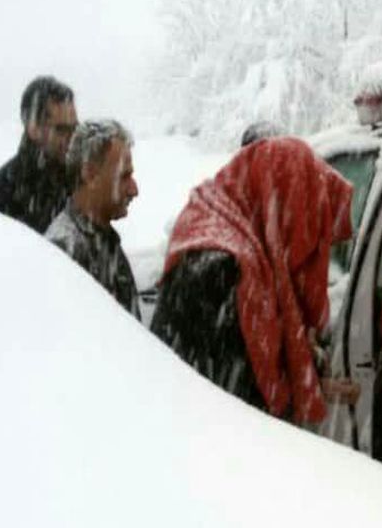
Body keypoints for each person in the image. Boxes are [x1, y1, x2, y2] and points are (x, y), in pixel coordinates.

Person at [151, 137, 356, 424]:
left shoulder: (237, 246)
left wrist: (313, 383)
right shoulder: (223, 271)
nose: (312, 257)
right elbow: (240, 405)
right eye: (310, 232)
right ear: (287, 206)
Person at [45, 120, 141, 318]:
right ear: (90, 174)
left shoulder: (103, 241)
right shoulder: (64, 250)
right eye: (124, 176)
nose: (134, 190)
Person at [0, 76, 77, 233]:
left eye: (75, 128)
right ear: (33, 128)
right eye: (61, 130)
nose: (72, 138)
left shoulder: (80, 187)